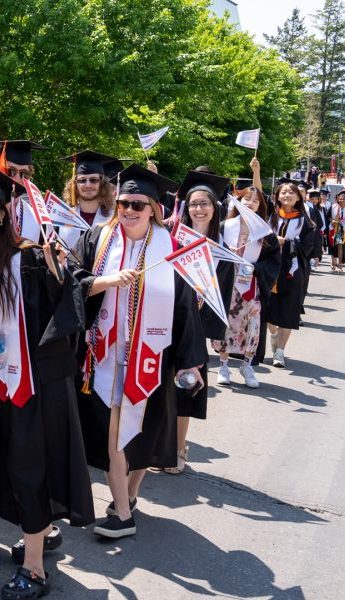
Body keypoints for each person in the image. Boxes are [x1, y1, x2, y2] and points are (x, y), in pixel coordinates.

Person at [0, 159, 94, 599]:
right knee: (11, 463)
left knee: (28, 466)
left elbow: (68, 306)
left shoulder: (31, 257)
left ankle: (34, 570)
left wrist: (58, 272)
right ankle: (43, 531)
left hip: (36, 385)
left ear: (4, 213)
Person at [74, 164, 206, 536]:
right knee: (115, 432)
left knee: (143, 433)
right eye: (122, 203)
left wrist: (189, 362)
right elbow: (74, 282)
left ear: (153, 209)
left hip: (151, 356)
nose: (128, 211)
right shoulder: (98, 238)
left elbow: (184, 310)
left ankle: (128, 494)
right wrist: (105, 281)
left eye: (137, 204)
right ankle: (122, 515)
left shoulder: (172, 249)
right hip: (102, 355)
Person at [166, 170, 234, 474]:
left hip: (193, 330)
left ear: (214, 208)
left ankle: (179, 448)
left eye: (205, 203)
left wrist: (205, 331)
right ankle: (162, 446)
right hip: (164, 324)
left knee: (185, 389)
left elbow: (223, 298)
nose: (199, 209)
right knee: (160, 389)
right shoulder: (171, 242)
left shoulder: (222, 252)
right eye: (193, 204)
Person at [212, 187, 281, 388]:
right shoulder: (224, 226)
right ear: (237, 202)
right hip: (227, 285)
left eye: (255, 201)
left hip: (251, 286)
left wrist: (256, 268)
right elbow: (212, 251)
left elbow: (273, 261)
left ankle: (246, 364)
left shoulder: (265, 233)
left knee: (253, 326)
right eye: (246, 199)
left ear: (261, 206)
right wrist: (226, 252)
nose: (250, 203)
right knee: (226, 325)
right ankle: (223, 365)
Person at [266, 181, 315, 368]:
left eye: (291, 192)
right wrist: (256, 172)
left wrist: (285, 243)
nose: (287, 195)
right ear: (277, 196)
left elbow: (307, 247)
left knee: (287, 310)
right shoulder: (271, 217)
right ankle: (273, 334)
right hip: (269, 269)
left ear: (298, 197)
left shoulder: (305, 221)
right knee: (266, 310)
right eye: (283, 192)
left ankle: (279, 352)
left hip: (292, 272)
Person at [59, 150, 117, 249]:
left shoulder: (114, 217)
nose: (88, 185)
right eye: (82, 180)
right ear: (74, 184)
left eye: (93, 180)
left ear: (102, 183)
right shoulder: (62, 215)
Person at [328, 189, 345, 272]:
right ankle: (333, 262)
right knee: (332, 246)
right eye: (340, 199)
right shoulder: (333, 207)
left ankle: (340, 265)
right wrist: (332, 221)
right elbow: (327, 217)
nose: (341, 200)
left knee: (340, 246)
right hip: (333, 228)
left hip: (343, 230)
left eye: (343, 199)